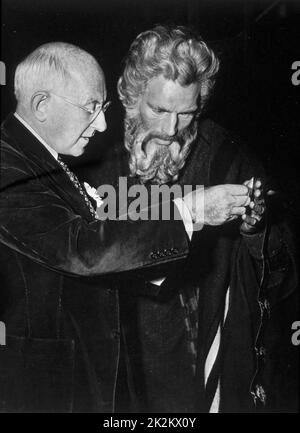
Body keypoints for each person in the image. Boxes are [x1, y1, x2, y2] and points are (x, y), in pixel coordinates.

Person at [0, 41, 242, 413]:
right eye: (90, 109)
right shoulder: (8, 169)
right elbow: (82, 250)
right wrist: (191, 210)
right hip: (46, 387)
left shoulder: (43, 159)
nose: (100, 125)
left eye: (103, 108)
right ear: (42, 105)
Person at [94, 25, 298, 413]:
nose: (171, 130)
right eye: (159, 110)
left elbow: (282, 279)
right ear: (132, 96)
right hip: (114, 364)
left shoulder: (225, 156)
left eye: (186, 113)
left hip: (196, 369)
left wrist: (254, 231)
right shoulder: (94, 155)